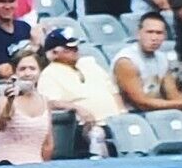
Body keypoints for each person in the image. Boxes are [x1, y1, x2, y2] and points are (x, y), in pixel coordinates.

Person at [37, 25, 121, 155]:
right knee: (96, 135)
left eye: (75, 46)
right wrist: (77, 108)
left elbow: (113, 92)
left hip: (116, 122)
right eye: (69, 48)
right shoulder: (49, 74)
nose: (75, 50)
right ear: (54, 53)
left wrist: (123, 114)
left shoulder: (90, 64)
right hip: (86, 128)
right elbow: (49, 102)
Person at [110, 12, 182, 113]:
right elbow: (140, 103)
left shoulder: (162, 58)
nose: (154, 38)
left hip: (154, 111)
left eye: (159, 33)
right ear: (139, 33)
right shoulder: (126, 61)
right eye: (149, 32)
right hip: (130, 113)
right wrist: (180, 103)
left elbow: (172, 94)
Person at [0, 46, 54, 164]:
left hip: (35, 166)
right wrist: (10, 102)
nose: (27, 73)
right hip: (4, 164)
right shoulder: (5, 99)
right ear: (15, 73)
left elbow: (48, 144)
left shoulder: (44, 101)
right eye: (22, 69)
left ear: (40, 72)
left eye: (32, 68)